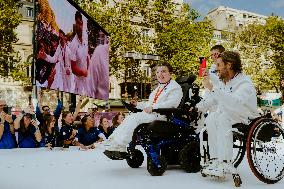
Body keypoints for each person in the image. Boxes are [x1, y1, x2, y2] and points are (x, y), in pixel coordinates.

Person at [196, 51, 259, 177]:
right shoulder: (227, 82)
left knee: (222, 117)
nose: (216, 69)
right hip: (229, 114)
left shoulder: (244, 83)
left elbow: (236, 103)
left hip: (245, 117)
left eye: (219, 65)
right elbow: (216, 98)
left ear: (229, 65)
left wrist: (212, 88)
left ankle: (225, 162)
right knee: (211, 118)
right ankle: (215, 160)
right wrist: (198, 107)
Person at [104, 62, 183, 155]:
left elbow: (171, 104)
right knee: (130, 117)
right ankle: (112, 142)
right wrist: (137, 104)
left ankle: (120, 145)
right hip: (152, 114)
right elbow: (149, 104)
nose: (160, 74)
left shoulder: (175, 87)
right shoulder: (159, 88)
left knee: (135, 118)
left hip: (163, 116)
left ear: (170, 73)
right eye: (158, 72)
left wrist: (153, 108)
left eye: (163, 71)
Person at [70, 11, 89, 95]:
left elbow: (87, 57)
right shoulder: (73, 45)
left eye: (81, 24)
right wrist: (84, 73)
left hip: (87, 78)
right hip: (78, 81)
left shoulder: (85, 39)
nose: (79, 26)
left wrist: (89, 70)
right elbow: (73, 68)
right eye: (77, 23)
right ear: (75, 24)